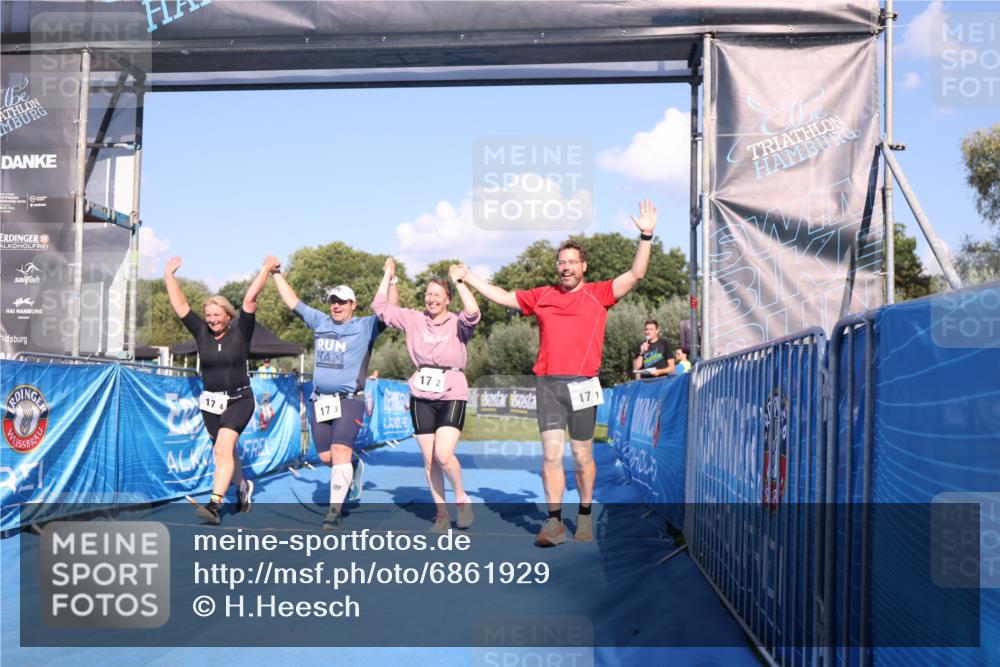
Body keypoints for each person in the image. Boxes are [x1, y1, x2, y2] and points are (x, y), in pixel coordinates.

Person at [463, 200, 659, 546]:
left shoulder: (599, 294)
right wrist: (470, 278)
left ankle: (584, 515)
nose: (566, 268)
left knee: (583, 456)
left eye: (572, 262)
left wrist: (645, 235)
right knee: (551, 455)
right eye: (561, 262)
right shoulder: (542, 296)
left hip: (584, 384)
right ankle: (553, 522)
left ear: (584, 265)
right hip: (548, 384)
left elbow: (636, 275)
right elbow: (504, 297)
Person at [270, 259, 397, 529]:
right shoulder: (320, 321)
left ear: (353, 305)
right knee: (328, 457)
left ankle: (333, 512)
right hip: (321, 401)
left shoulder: (365, 327)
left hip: (350, 400)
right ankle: (353, 465)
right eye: (333, 301)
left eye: (342, 301)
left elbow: (390, 310)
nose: (336, 305)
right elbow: (292, 301)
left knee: (339, 451)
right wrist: (276, 274)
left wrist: (391, 278)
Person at [165, 255, 277, 525]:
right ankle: (243, 487)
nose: (212, 320)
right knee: (225, 452)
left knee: (223, 449)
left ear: (228, 316)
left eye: (217, 315)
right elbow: (180, 305)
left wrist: (264, 269)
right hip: (211, 403)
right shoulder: (202, 332)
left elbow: (250, 299)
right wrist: (169, 276)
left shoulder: (241, 331)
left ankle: (214, 505)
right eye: (209, 316)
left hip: (239, 399)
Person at [372, 258, 480, 532]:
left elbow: (474, 311)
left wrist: (459, 281)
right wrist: (389, 275)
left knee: (444, 454)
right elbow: (380, 307)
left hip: (452, 390)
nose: (431, 299)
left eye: (437, 295)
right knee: (430, 459)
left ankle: (461, 499)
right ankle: (441, 514)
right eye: (428, 294)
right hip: (421, 392)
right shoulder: (414, 319)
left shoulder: (458, 323)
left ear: (447, 300)